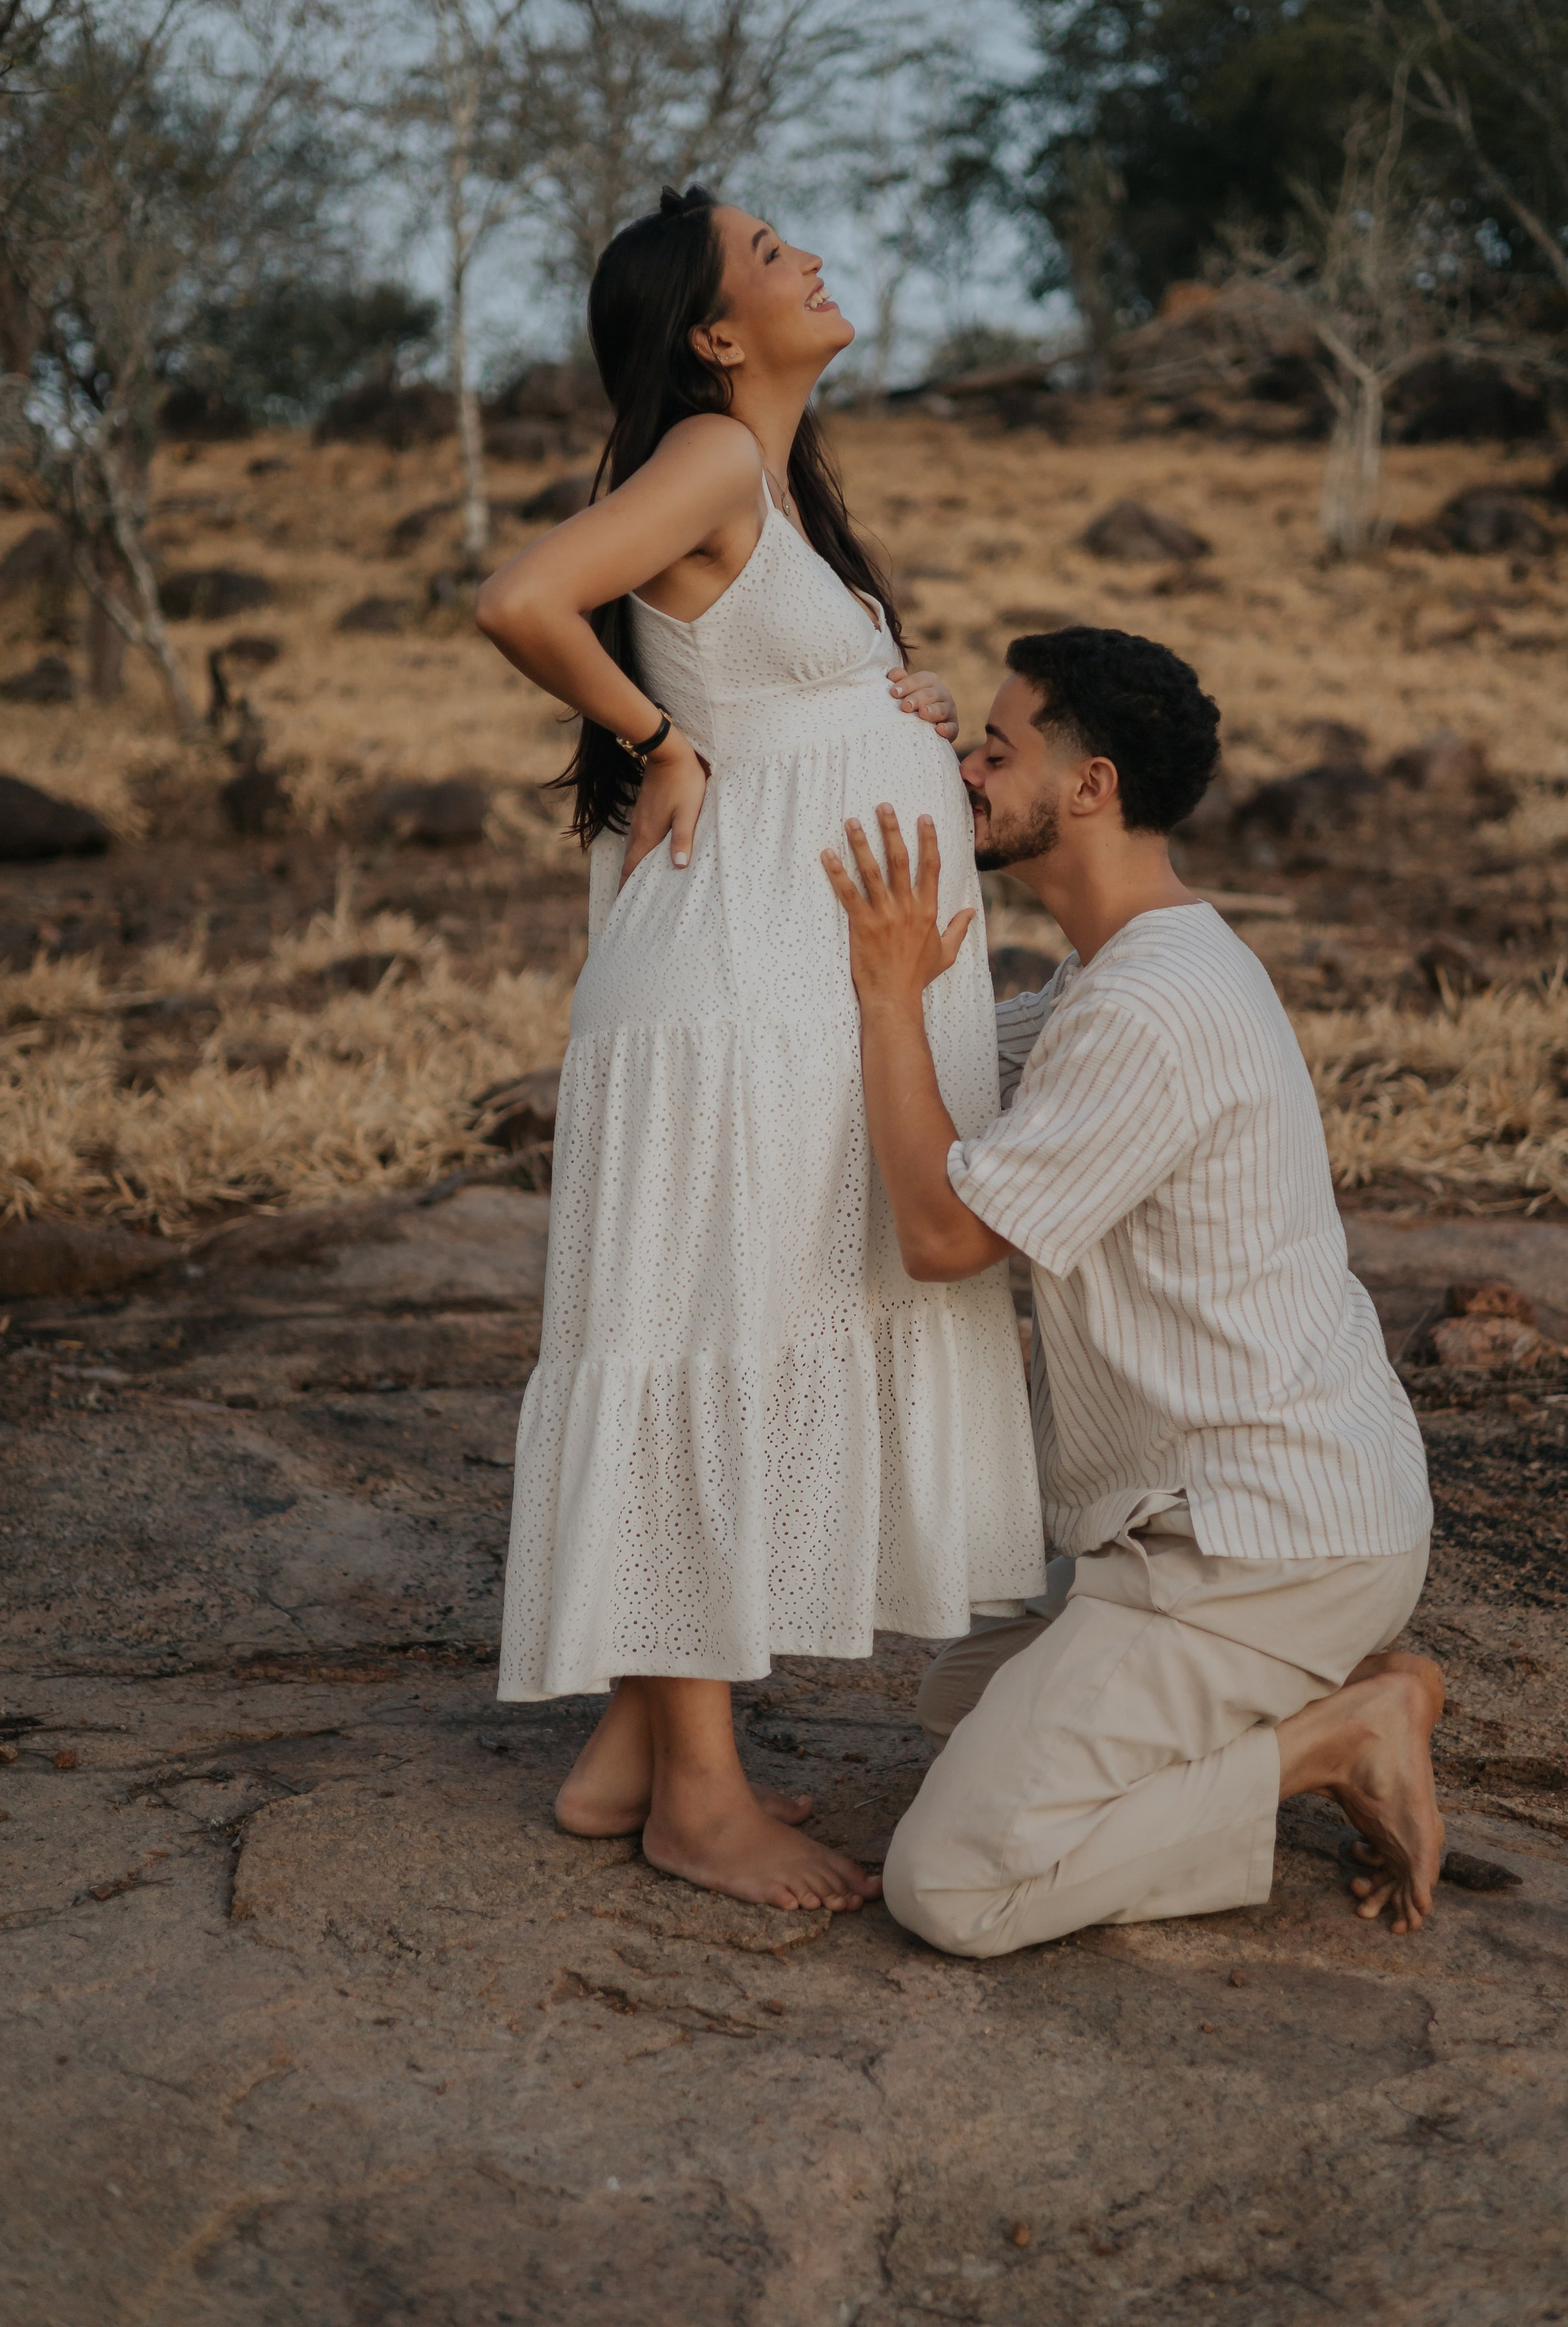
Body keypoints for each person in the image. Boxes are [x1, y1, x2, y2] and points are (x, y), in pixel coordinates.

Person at [473, 186, 1046, 1916]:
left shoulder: (777, 489)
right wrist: (653, 737)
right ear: (716, 333)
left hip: (797, 987)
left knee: (731, 1317)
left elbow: (768, 692)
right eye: (770, 250)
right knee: (710, 1328)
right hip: (734, 988)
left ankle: (633, 1756)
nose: (809, 254)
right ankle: (697, 1801)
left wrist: (899, 705)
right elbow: (523, 599)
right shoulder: (717, 457)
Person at [819, 626, 1442, 1959]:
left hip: (1256, 1542)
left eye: (996, 747)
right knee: (959, 1706)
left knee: (954, 1884)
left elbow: (941, 1231)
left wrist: (883, 999)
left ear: (1089, 786)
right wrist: (896, 746)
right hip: (1257, 1520)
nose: (970, 769)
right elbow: (956, 1079)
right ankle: (1324, 1695)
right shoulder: (1119, 970)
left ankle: (1338, 1734)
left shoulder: (1148, 1010)